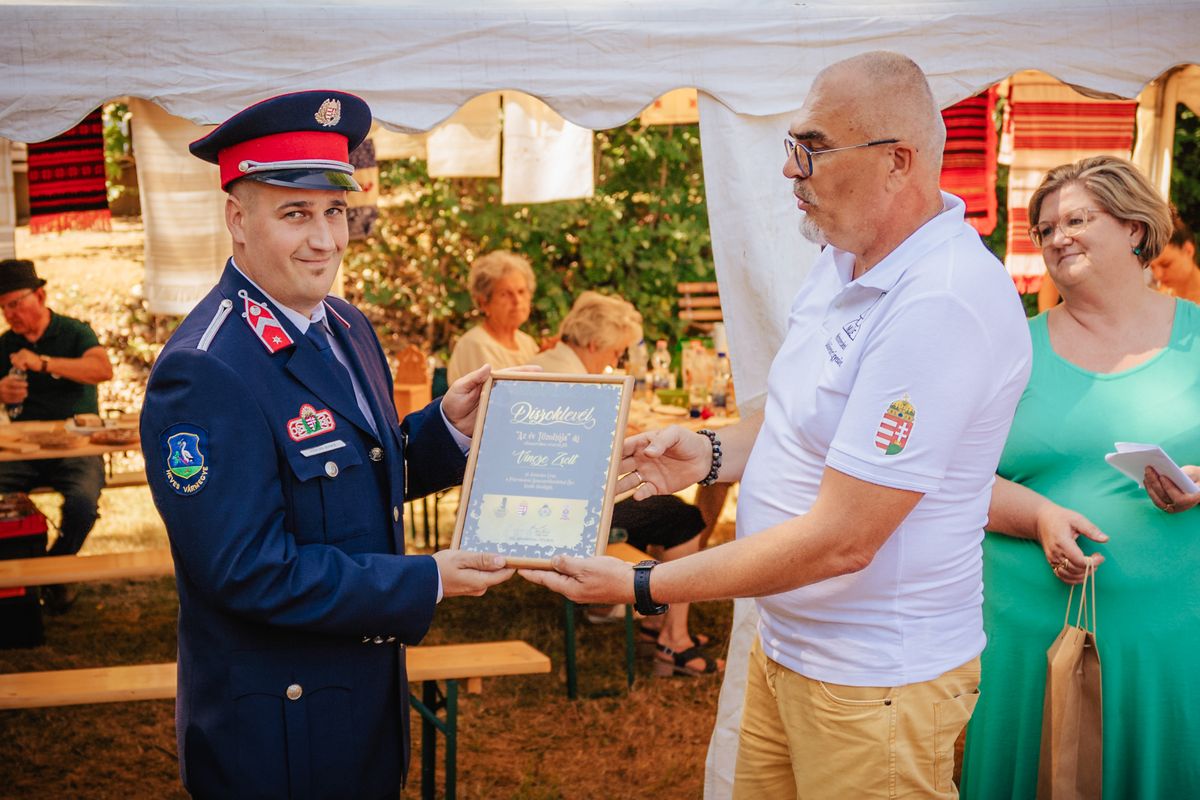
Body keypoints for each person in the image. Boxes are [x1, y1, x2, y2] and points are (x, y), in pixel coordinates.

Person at [524, 51, 1032, 797]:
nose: (792, 170)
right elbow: (793, 417)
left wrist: (642, 583)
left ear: (898, 161)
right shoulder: (842, 261)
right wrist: (706, 450)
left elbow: (844, 540)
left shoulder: (941, 303)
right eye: (791, 146)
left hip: (872, 679)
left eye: (813, 148)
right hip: (789, 647)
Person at [139, 90, 513, 798]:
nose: (325, 239)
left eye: (335, 210)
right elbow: (248, 569)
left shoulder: (342, 325)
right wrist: (426, 578)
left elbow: (358, 470)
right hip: (278, 732)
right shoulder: (206, 370)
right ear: (236, 220)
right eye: (295, 213)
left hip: (357, 699)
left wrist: (445, 429)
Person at [960, 156, 1200, 798]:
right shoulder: (1009, 347)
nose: (1056, 236)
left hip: (1175, 633)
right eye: (1044, 228)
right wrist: (1037, 518)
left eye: (1076, 218)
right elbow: (952, 479)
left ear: (1134, 228)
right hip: (1030, 629)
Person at [533, 291, 721, 676]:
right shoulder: (573, 379)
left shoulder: (547, 363)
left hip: (547, 498)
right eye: (616, 352)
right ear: (593, 344)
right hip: (567, 508)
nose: (615, 362)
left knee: (658, 507)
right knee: (684, 519)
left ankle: (655, 619)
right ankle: (674, 639)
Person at [0, 258, 113, 613]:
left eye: (16, 303)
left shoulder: (74, 331)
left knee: (82, 502)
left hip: (77, 444)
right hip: (23, 446)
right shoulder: (5, 344)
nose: (9, 313)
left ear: (41, 295)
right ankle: (19, 581)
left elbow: (101, 369)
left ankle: (52, 571)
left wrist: (45, 363)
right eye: (3, 307)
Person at [445, 250, 538, 382]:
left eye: (521, 291)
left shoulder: (527, 343)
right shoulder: (474, 345)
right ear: (483, 303)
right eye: (505, 294)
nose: (517, 301)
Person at [1149, 208, 1200, 303]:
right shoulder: (1161, 299)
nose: (1158, 275)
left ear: (1188, 251)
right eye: (1152, 267)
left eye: (1166, 264)